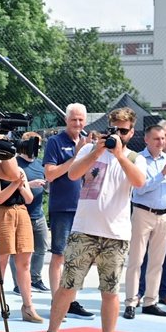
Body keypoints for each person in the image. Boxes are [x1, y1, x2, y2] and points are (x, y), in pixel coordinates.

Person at [37, 107, 146, 332]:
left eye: (123, 130)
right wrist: (97, 151)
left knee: (109, 291)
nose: (117, 134)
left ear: (131, 132)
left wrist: (119, 155)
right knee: (67, 287)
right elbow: (73, 174)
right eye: (114, 129)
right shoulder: (89, 149)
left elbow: (139, 182)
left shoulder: (134, 157)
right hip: (84, 230)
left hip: (116, 235)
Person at [125, 124, 166, 319]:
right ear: (146, 140)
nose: (161, 142)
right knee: (136, 260)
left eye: (163, 138)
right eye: (156, 139)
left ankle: (151, 301)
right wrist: (163, 174)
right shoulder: (139, 160)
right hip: (143, 213)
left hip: (165, 215)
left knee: (157, 261)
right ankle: (131, 302)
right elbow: (140, 188)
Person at [42, 104, 93, 319]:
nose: (78, 124)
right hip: (62, 207)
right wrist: (77, 156)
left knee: (79, 257)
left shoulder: (89, 143)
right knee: (59, 255)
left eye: (81, 120)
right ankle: (57, 302)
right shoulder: (55, 142)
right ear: (66, 120)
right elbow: (50, 174)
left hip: (84, 207)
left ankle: (71, 300)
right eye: (74, 120)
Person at [0, 144, 40, 322]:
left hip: (21, 212)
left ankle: (28, 306)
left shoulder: (17, 169)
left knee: (25, 262)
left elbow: (29, 198)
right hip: (1, 213)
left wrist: (20, 184)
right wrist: (16, 184)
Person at [10, 131, 49, 293]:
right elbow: (8, 187)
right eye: (35, 145)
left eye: (39, 146)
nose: (37, 149)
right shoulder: (14, 164)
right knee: (18, 252)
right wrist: (29, 184)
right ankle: (19, 283)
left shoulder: (40, 164)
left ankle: (35, 279)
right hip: (21, 213)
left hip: (38, 214)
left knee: (41, 248)